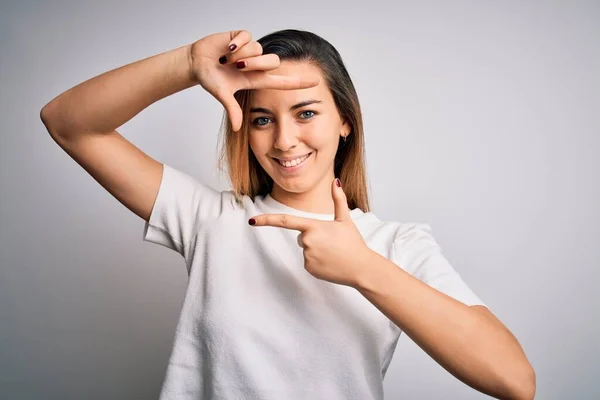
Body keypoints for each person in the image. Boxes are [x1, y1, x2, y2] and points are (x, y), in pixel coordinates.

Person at [40, 29, 535, 400]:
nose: (283, 140)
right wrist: (188, 65)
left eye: (305, 113)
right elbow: (68, 123)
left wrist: (365, 269)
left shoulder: (395, 246)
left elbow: (514, 380)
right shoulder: (210, 220)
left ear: (344, 121)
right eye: (262, 119)